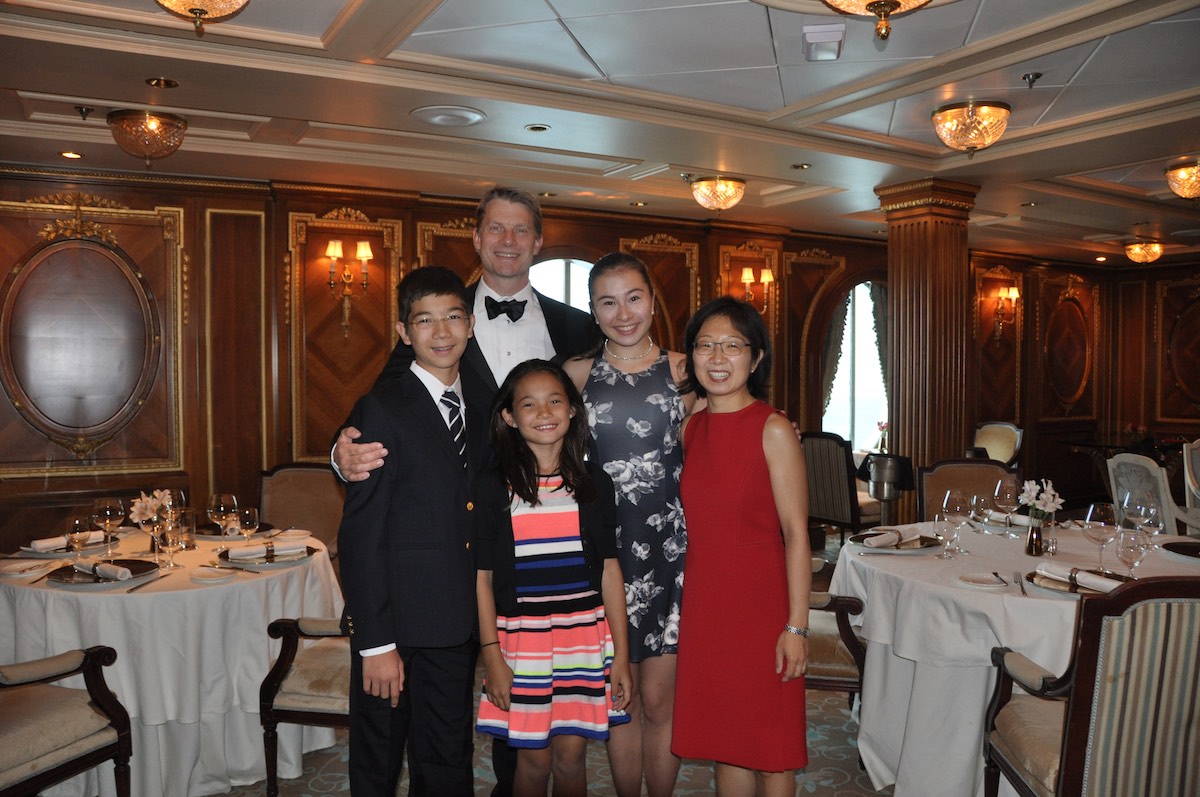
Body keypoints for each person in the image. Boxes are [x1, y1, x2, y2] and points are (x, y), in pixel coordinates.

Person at [337, 266, 490, 796]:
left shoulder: (483, 405)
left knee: (448, 759)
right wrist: (375, 642)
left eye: (453, 318)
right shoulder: (383, 407)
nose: (441, 332)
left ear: (470, 325)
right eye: (425, 321)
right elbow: (360, 535)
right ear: (404, 332)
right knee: (378, 761)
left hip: (455, 622)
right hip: (395, 623)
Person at [334, 186, 598, 481]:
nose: (508, 240)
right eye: (496, 228)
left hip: (553, 487)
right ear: (477, 238)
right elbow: (386, 397)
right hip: (464, 493)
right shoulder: (438, 323)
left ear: (537, 242)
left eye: (521, 230)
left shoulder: (577, 325)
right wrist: (340, 455)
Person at [562, 252, 693, 797]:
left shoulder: (686, 371)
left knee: (660, 700)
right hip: (604, 557)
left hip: (672, 553)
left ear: (653, 302)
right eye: (608, 302)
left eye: (633, 298)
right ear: (593, 310)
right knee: (622, 698)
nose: (622, 314)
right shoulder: (575, 375)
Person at [671, 296, 812, 797]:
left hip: (761, 607)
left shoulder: (774, 428)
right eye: (705, 345)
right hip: (707, 606)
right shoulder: (691, 427)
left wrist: (796, 626)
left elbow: (796, 533)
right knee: (725, 742)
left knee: (772, 749)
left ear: (755, 359)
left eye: (732, 346)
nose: (717, 357)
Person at [475, 359, 633, 796]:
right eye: (529, 404)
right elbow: (482, 579)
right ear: (509, 417)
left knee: (570, 758)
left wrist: (621, 655)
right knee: (533, 761)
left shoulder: (594, 483)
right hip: (522, 644)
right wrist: (492, 658)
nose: (544, 412)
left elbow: (610, 571)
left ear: (573, 410)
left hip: (582, 640)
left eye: (555, 401)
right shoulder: (493, 487)